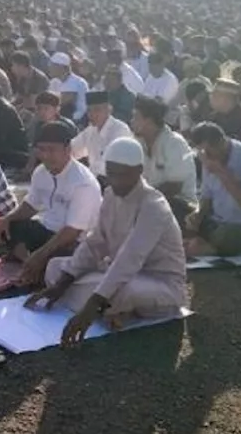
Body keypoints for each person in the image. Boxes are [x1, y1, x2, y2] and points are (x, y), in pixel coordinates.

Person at [25, 137, 189, 344]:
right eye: (112, 174)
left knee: (120, 291)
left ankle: (100, 307)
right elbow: (96, 243)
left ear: (139, 171)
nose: (117, 181)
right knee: (55, 268)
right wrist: (62, 283)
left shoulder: (153, 205)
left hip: (159, 283)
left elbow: (130, 258)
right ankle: (108, 309)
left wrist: (93, 304)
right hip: (117, 272)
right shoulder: (111, 195)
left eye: (123, 175)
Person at [0, 121, 102, 286]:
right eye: (42, 149)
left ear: (67, 150)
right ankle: (29, 262)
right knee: (10, 226)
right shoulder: (41, 172)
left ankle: (33, 263)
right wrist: (8, 218)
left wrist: (41, 254)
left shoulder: (83, 183)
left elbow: (72, 231)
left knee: (60, 258)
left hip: (73, 242)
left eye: (52, 150)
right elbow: (31, 205)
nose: (45, 156)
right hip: (47, 231)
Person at [185, 122, 241, 256]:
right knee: (178, 208)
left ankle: (210, 248)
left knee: (226, 235)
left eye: (208, 152)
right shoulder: (207, 157)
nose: (206, 157)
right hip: (219, 221)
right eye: (202, 152)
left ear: (221, 142)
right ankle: (205, 243)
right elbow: (207, 196)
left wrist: (222, 173)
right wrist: (198, 215)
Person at [70, 90, 132, 183]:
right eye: (89, 110)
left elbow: (109, 165)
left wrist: (85, 175)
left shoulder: (120, 130)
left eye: (97, 110)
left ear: (109, 110)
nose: (92, 114)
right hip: (93, 180)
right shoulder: (90, 130)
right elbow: (72, 150)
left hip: (116, 182)